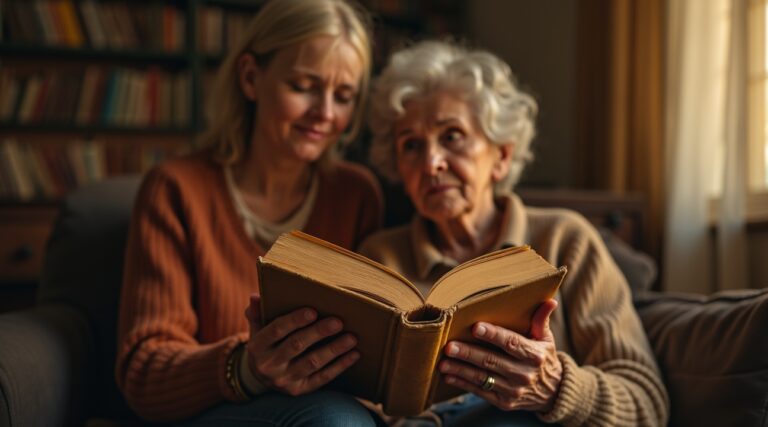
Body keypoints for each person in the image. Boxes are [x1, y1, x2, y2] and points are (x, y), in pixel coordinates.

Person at [359, 40, 670, 426]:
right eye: (411, 146)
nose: (431, 163)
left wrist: (554, 387)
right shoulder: (381, 259)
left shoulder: (565, 239)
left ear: (501, 157)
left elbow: (646, 404)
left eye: (452, 135)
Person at [115, 0, 383, 424]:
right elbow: (143, 374)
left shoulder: (357, 194)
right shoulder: (175, 189)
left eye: (344, 96)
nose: (326, 114)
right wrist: (246, 369)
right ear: (251, 77)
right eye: (303, 86)